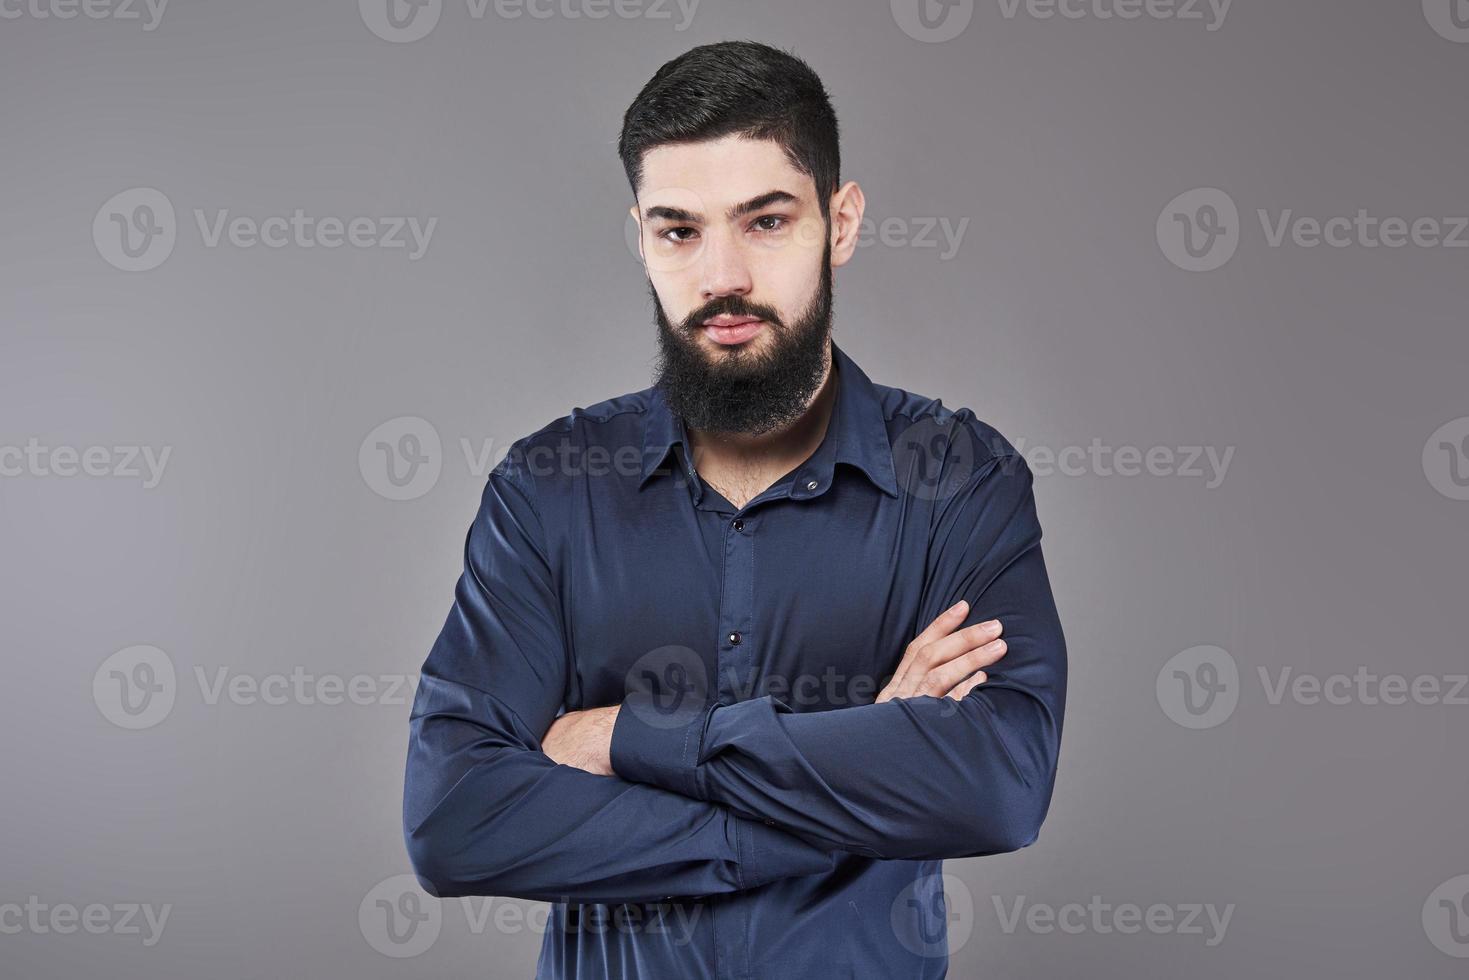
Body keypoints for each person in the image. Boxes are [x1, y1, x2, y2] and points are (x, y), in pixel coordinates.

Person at [403, 39, 1067, 979]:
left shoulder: (956, 478)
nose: (722, 277)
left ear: (840, 224)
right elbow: (453, 821)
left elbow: (998, 786)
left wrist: (630, 740)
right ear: (639, 236)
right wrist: (855, 780)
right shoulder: (547, 485)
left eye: (764, 222)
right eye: (680, 231)